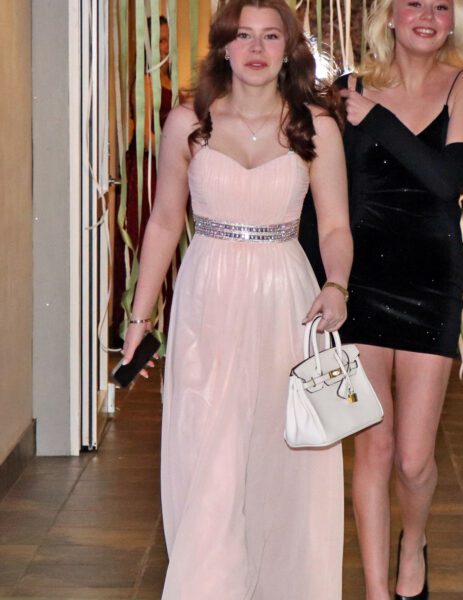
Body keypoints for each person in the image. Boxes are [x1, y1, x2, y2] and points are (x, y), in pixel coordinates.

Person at [122, 0, 352, 597]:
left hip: (286, 300)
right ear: (223, 46)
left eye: (270, 36)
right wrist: (139, 319)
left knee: (282, 455)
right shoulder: (188, 122)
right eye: (243, 35)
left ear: (288, 49)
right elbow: (165, 222)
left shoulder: (316, 126)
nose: (256, 48)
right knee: (209, 451)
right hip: (208, 301)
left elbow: (334, 225)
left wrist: (336, 283)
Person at [300, 1, 463, 598]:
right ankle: (378, 591)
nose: (427, 16)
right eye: (414, 3)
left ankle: (414, 542)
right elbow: (323, 196)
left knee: (412, 459)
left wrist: (377, 121)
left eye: (441, 6)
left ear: (454, 21)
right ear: (390, 16)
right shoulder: (348, 90)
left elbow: (445, 182)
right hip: (364, 282)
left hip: (430, 281)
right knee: (373, 447)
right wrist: (323, 278)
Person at [113, 16, 174, 342]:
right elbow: (145, 136)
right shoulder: (146, 83)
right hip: (149, 170)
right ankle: (136, 323)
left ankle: (164, 324)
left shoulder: (169, 80)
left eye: (166, 40)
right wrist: (176, 155)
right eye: (158, 41)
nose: (164, 47)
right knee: (145, 239)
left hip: (169, 170)